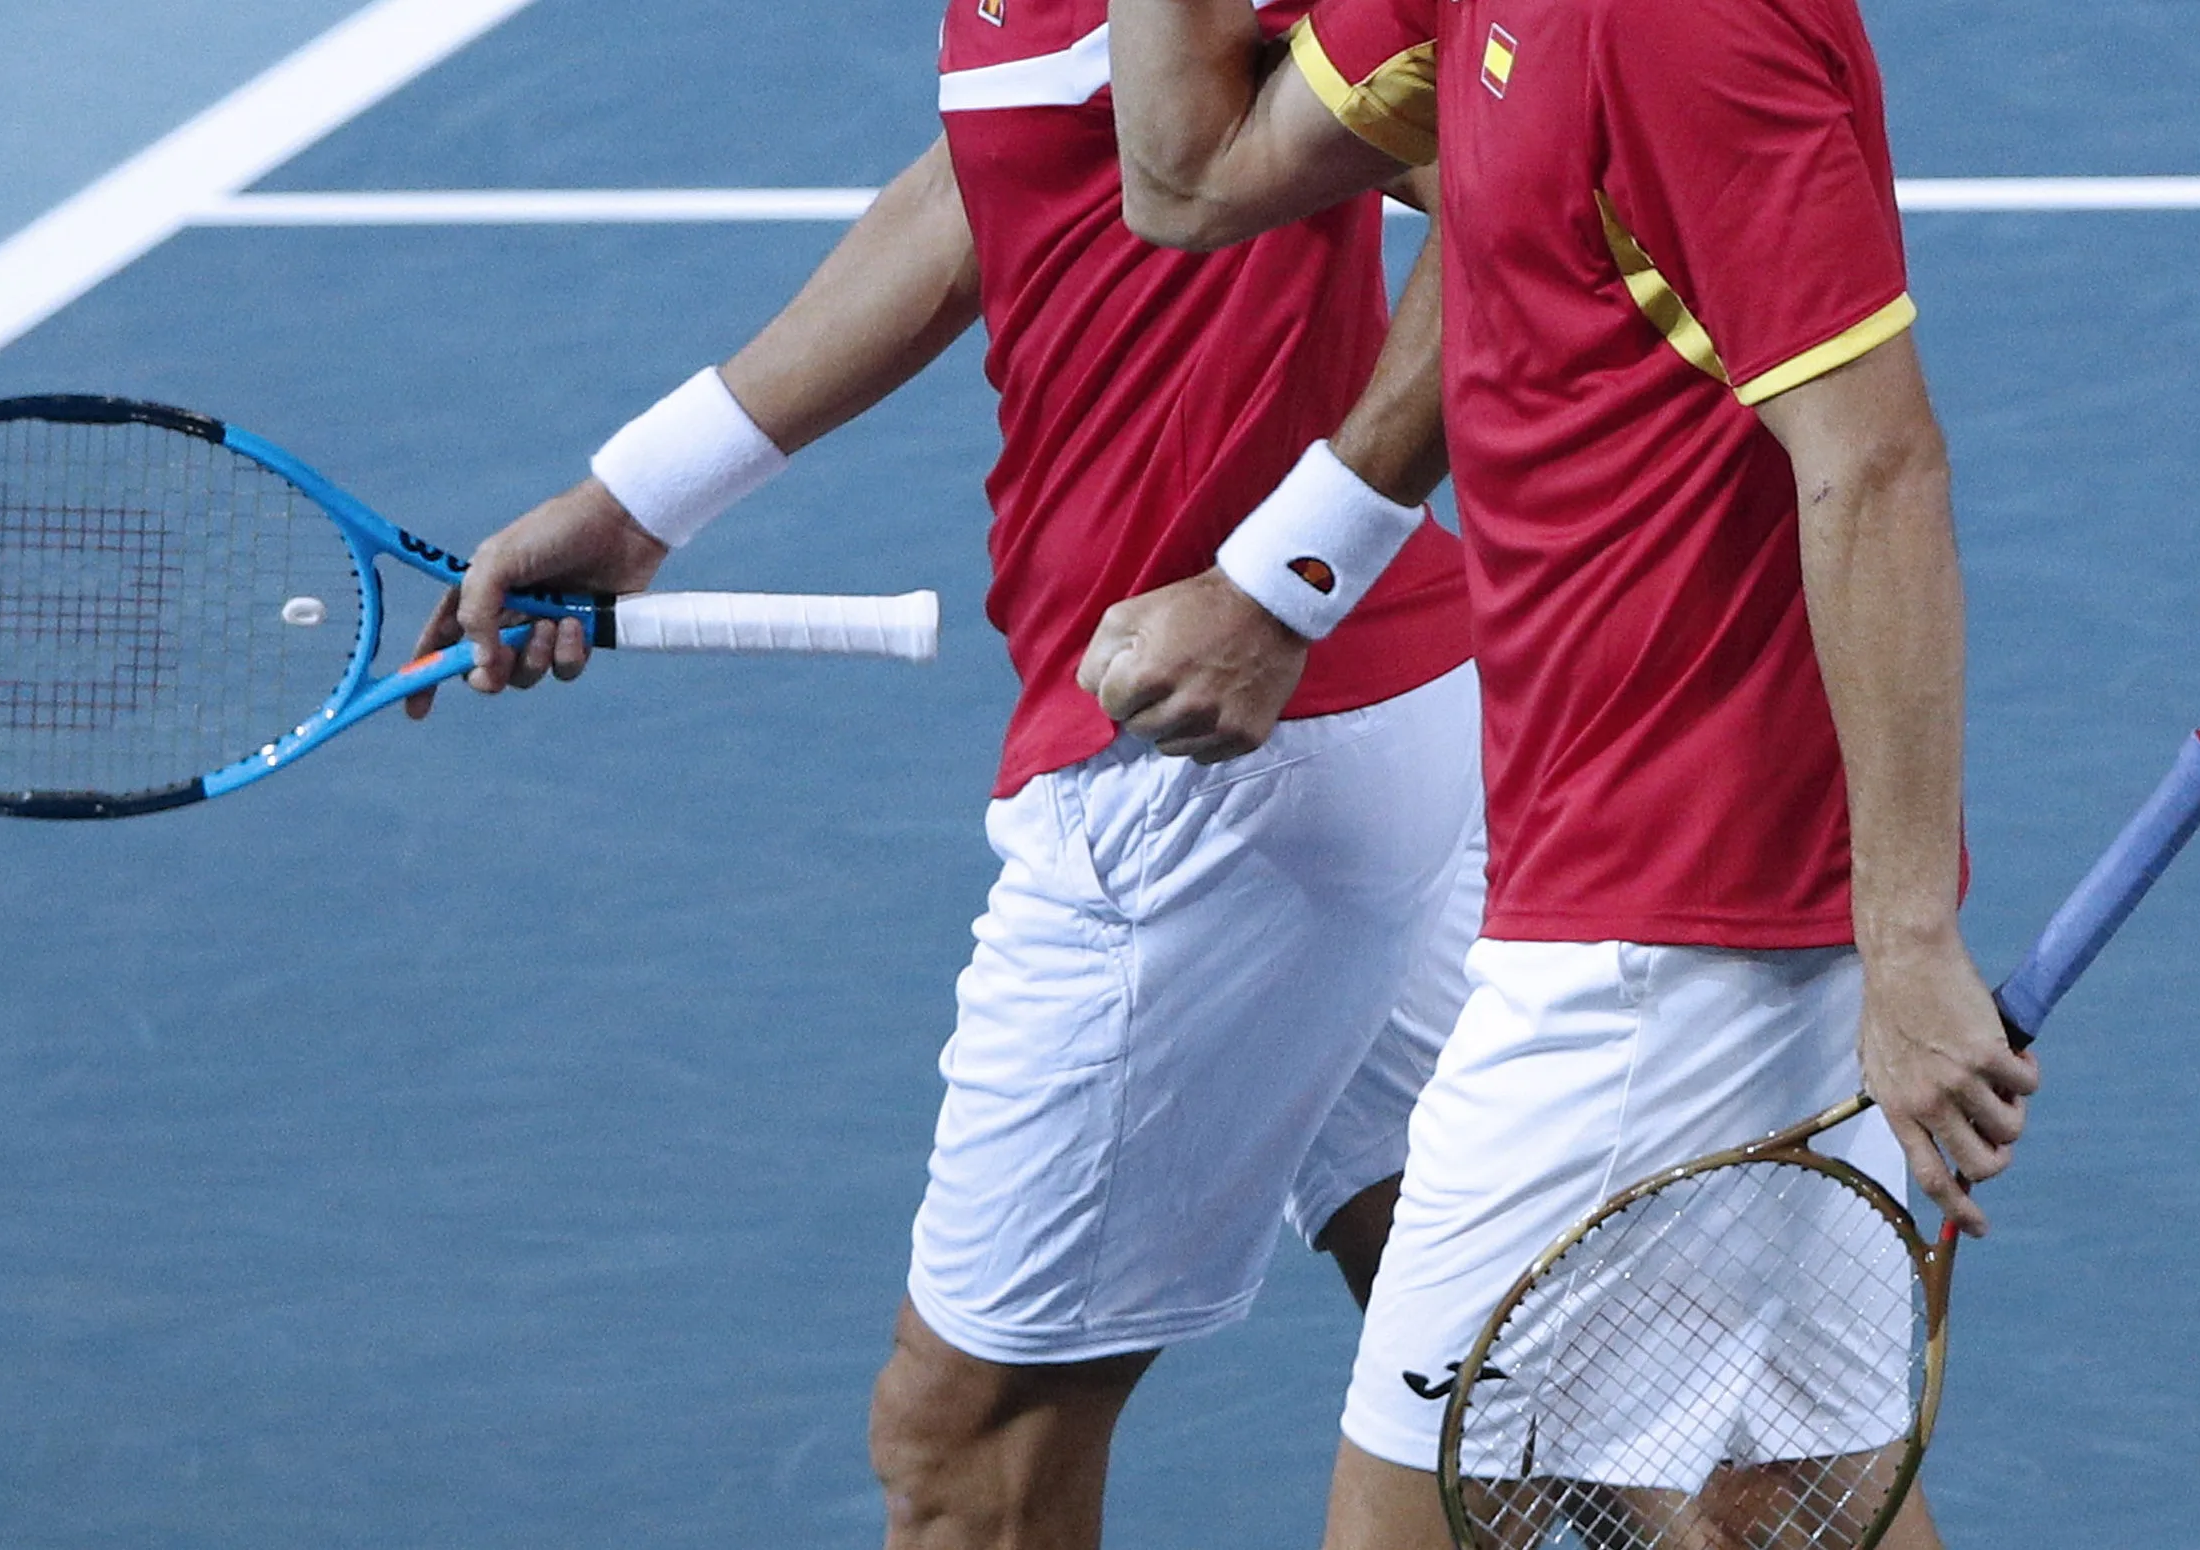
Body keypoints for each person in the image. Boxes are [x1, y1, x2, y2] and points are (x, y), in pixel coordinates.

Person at [403, 4, 1488, 1546]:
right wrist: (644, 494)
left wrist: (1285, 579)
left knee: (969, 1444)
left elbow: (1522, 185)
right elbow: (989, 173)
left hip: (1210, 765)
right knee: (1518, 1352)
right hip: (1341, 729)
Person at [1100, 0, 2042, 1545]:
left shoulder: (1678, 25)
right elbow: (1189, 180)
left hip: (1659, 957)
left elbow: (1873, 458)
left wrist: (1913, 942)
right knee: (1774, 1513)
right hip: (1666, 904)